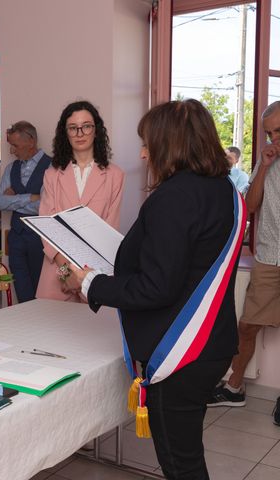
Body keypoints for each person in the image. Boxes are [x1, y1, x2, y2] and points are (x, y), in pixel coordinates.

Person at [65, 99, 245, 479]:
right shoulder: (223, 190)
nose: (144, 152)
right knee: (187, 458)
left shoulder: (175, 197)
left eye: (148, 142)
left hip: (180, 352)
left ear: (172, 143)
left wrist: (91, 283)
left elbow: (156, 287)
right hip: (212, 344)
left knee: (181, 466)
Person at [208, 102, 280, 419]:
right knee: (247, 325)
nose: (273, 138)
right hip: (268, 256)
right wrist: (264, 166)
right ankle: (235, 388)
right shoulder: (267, 160)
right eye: (268, 133)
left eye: (278, 131)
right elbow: (249, 206)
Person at [36, 101, 124, 301]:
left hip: (96, 273)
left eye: (86, 126)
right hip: (57, 271)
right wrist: (67, 271)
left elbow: (110, 228)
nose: (80, 133)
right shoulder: (52, 175)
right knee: (49, 330)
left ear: (96, 130)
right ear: (65, 133)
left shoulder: (115, 175)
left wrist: (83, 275)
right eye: (73, 128)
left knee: (94, 331)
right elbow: (47, 226)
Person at [0, 121, 51, 303]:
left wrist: (14, 198)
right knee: (22, 293)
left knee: (41, 293)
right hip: (16, 238)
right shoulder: (11, 168)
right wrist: (29, 197)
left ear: (31, 141)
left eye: (15, 146)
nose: (11, 151)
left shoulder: (52, 167)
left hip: (40, 239)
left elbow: (44, 206)